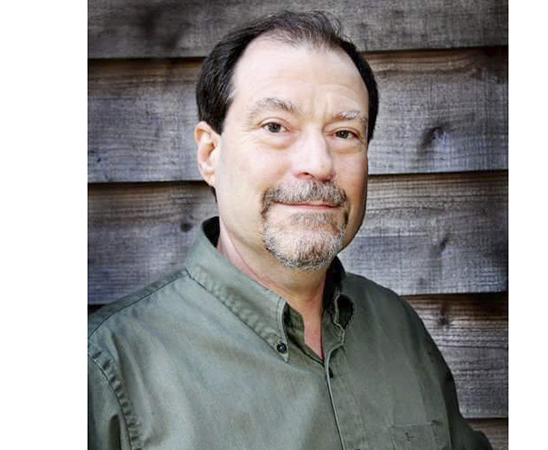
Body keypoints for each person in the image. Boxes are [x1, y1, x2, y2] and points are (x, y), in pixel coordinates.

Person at [88, 11, 492, 450]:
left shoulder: (397, 328)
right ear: (209, 154)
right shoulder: (107, 369)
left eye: (344, 132)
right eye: (275, 127)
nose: (318, 163)